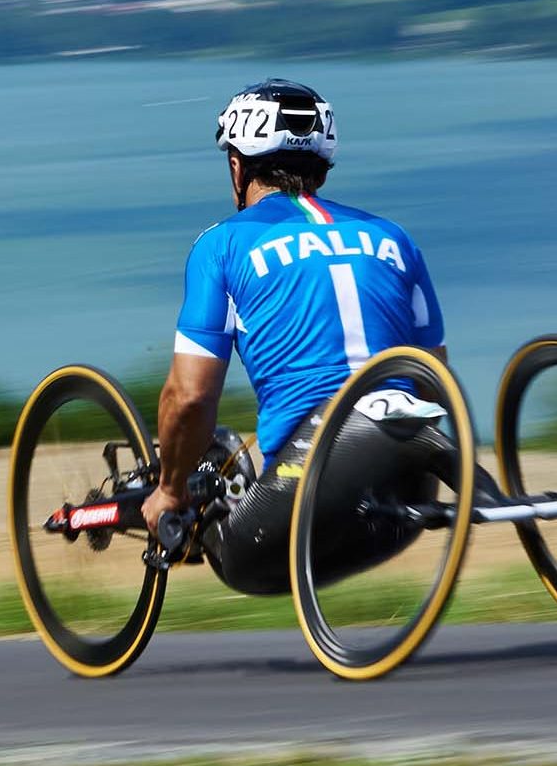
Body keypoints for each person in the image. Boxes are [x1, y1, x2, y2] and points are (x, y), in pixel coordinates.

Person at [139, 78, 447, 591]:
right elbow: (435, 379)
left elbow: (190, 397)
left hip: (317, 470)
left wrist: (170, 491)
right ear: (322, 166)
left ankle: (216, 485)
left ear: (237, 166)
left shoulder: (223, 245)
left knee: (236, 561)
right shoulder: (393, 237)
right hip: (409, 483)